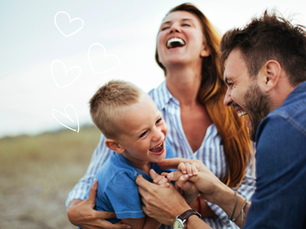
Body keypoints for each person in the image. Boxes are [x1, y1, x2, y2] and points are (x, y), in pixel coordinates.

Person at [66, 3, 256, 229]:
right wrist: (75, 210)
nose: (173, 29)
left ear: (205, 47)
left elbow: (251, 184)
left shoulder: (234, 105)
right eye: (165, 27)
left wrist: (185, 205)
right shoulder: (129, 112)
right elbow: (95, 177)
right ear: (159, 51)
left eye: (185, 24)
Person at [136, 10, 306, 228]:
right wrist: (219, 192)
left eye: (232, 83)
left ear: (269, 75)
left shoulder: (283, 126)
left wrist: (181, 215)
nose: (227, 99)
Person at [83, 80, 198, 229]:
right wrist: (163, 203)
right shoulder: (119, 180)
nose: (158, 135)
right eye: (143, 133)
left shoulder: (161, 147)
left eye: (158, 121)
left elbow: (180, 201)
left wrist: (189, 187)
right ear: (117, 145)